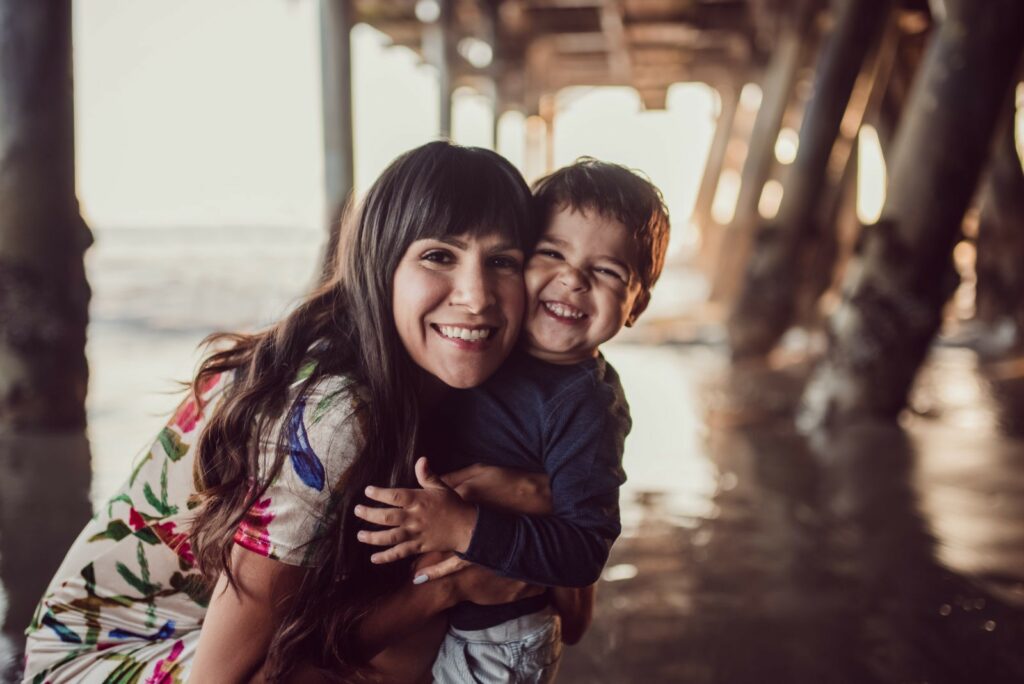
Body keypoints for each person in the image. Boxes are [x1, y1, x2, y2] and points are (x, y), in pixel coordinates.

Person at [21, 141, 554, 683]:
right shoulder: (333, 415)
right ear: (382, 264)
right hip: (102, 658)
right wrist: (454, 585)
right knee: (414, 629)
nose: (477, 295)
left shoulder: (480, 388)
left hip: (209, 641)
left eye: (502, 261)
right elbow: (229, 677)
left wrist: (540, 501)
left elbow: (563, 608)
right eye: (439, 255)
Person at [355, 158, 671, 682]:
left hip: (500, 642)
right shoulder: (485, 346)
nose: (572, 279)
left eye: (608, 271)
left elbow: (582, 553)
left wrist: (459, 524)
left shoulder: (585, 405)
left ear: (635, 305)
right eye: (552, 253)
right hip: (448, 621)